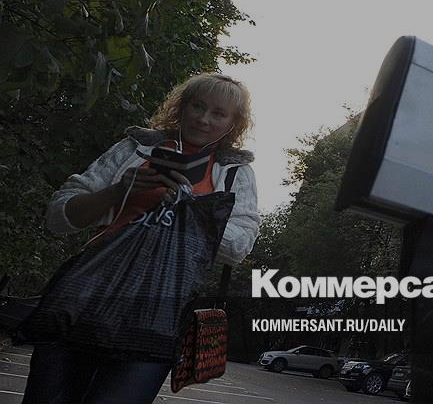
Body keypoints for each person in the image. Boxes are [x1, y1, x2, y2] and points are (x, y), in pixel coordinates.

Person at [20, 73, 260, 404]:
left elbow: (239, 246)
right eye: (198, 106)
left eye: (218, 113)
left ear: (233, 124)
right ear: (182, 107)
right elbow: (59, 217)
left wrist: (191, 208)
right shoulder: (136, 149)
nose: (204, 119)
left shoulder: (235, 173)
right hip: (84, 296)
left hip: (154, 316)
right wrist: (119, 190)